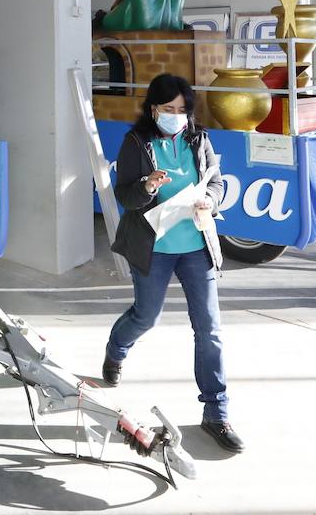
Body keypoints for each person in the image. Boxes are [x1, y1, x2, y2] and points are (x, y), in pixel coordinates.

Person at [103, 74, 242, 453]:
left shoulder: (199, 138)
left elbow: (216, 183)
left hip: (196, 244)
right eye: (169, 109)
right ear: (154, 109)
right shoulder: (136, 143)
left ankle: (217, 412)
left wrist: (210, 201)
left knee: (209, 329)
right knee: (146, 316)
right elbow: (126, 197)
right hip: (154, 247)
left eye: (182, 110)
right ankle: (117, 349)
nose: (177, 116)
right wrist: (147, 186)